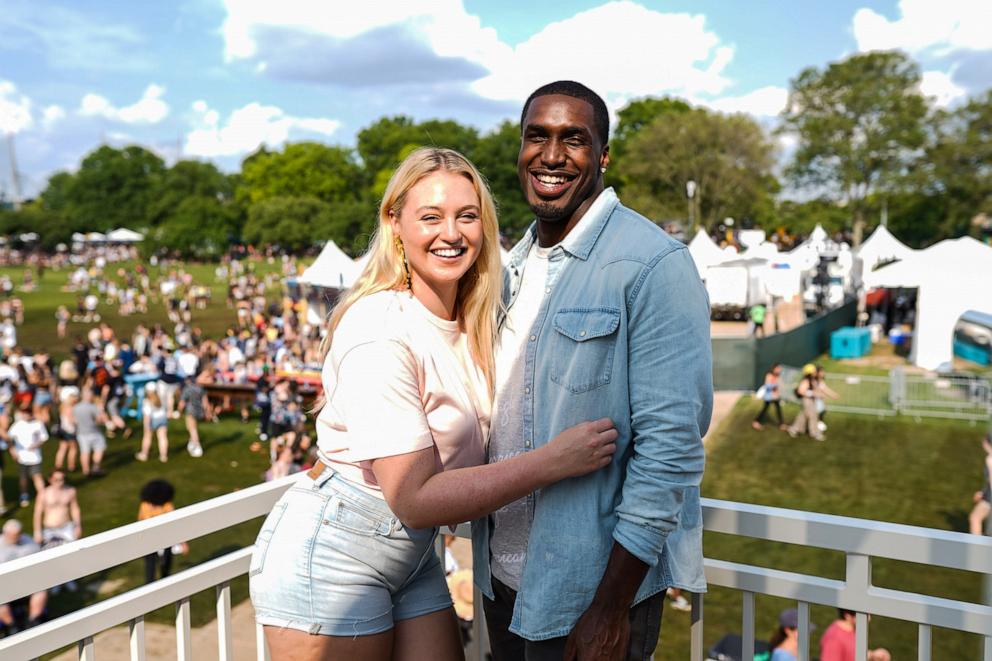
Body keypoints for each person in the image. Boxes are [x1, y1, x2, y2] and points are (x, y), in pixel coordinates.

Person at [249, 147, 617, 661]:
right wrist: (553, 462)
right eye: (431, 217)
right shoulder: (379, 328)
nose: (452, 233)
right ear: (394, 223)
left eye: (467, 216)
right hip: (336, 555)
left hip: (413, 551)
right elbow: (415, 496)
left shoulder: (470, 319)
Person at [475, 81, 712, 660]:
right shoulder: (509, 269)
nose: (552, 156)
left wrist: (610, 606)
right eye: (538, 136)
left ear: (603, 156)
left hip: (590, 596)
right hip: (502, 585)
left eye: (573, 140)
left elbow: (671, 448)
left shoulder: (654, 263)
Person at [0, 519, 47, 633]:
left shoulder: (29, 542)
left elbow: (38, 561)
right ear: (5, 533)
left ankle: (33, 621)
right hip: (4, 584)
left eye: (17, 535)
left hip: (27, 581)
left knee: (41, 591)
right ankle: (12, 625)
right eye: (12, 535)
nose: (15, 538)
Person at [138, 479, 187, 583]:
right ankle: (150, 584)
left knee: (166, 561)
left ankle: (164, 580)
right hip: (150, 540)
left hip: (165, 538)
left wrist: (183, 543)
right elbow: (140, 522)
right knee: (150, 564)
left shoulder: (166, 506)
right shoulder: (145, 506)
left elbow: (174, 523)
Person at [8, 404, 48, 507]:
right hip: (22, 457)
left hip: (35, 456)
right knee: (23, 478)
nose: (25, 415)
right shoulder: (17, 425)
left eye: (27, 413)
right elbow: (9, 438)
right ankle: (24, 495)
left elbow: (43, 438)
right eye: (24, 413)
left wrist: (36, 445)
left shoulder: (38, 424)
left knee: (37, 476)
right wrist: (13, 451)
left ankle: (42, 495)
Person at [33, 469, 82, 550]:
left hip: (66, 527)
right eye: (56, 480)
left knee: (73, 550)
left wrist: (78, 526)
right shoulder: (43, 493)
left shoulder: (70, 491)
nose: (59, 482)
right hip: (49, 529)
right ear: (50, 479)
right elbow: (37, 513)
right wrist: (37, 531)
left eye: (61, 479)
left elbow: (75, 509)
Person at [819, 609, 890, 661]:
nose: (869, 619)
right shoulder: (834, 639)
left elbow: (851, 654)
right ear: (848, 615)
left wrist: (872, 655)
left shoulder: (850, 630)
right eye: (865, 615)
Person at [72, 387, 107, 477]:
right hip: (94, 432)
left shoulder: (75, 407)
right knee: (99, 449)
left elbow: (73, 421)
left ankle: (86, 470)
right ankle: (95, 468)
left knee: (84, 452)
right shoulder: (93, 407)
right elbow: (100, 420)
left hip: (81, 433)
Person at [177, 371, 209, 458]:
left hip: (190, 411)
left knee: (192, 429)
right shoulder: (200, 388)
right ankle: (191, 444)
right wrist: (207, 412)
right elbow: (205, 402)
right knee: (194, 428)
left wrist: (179, 412)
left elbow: (182, 402)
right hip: (200, 411)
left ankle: (197, 446)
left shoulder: (187, 389)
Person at [787, 364, 823, 441]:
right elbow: (801, 391)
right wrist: (812, 393)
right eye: (813, 371)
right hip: (807, 400)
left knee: (803, 415)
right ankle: (814, 433)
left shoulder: (812, 380)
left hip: (811, 400)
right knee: (812, 416)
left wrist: (817, 394)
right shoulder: (806, 381)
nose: (815, 372)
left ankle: (794, 429)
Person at [136, 387, 169, 463]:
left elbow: (147, 416)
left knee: (147, 437)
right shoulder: (161, 397)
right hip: (162, 419)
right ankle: (163, 456)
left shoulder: (146, 401)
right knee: (162, 437)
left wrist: (146, 426)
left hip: (152, 420)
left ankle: (144, 454)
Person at [969, 434, 992, 535]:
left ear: (987, 443)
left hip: (990, 498)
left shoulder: (990, 460)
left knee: (975, 518)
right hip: (988, 496)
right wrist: (982, 492)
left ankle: (977, 547)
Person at [753, 364, 787, 431]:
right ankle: (756, 422)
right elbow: (767, 386)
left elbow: (781, 384)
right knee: (765, 409)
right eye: (778, 368)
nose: (779, 370)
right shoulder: (769, 375)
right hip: (769, 396)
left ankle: (781, 424)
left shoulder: (778, 376)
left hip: (776, 396)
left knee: (778, 409)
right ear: (774, 369)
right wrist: (776, 385)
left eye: (779, 369)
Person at [813, 365, 839, 433]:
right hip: (814, 401)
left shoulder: (820, 381)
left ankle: (818, 425)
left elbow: (825, 389)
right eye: (821, 372)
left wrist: (833, 394)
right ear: (817, 372)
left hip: (819, 400)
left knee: (822, 412)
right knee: (816, 414)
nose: (823, 373)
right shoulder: (813, 381)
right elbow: (819, 390)